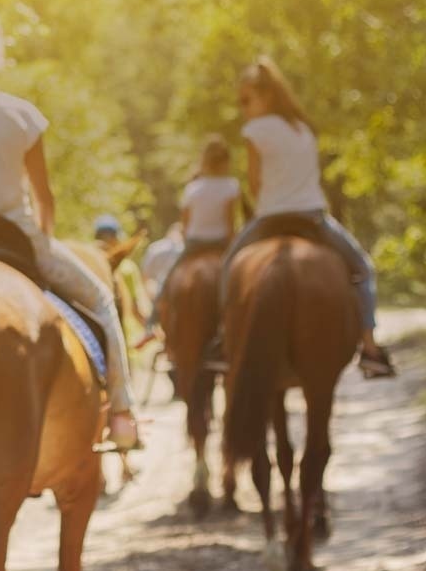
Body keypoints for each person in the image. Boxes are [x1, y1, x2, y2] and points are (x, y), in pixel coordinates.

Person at [0, 0, 140, 450]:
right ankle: (120, 414)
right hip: (18, 242)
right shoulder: (20, 117)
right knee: (99, 298)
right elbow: (45, 200)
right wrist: (43, 239)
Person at [210, 59, 395, 378]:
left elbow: (254, 184)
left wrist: (269, 199)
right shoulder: (303, 128)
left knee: (229, 266)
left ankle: (225, 342)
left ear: (265, 96)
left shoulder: (254, 131)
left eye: (246, 100)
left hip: (269, 218)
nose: (243, 108)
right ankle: (370, 347)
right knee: (363, 269)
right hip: (313, 218)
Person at [95, 214, 153, 343]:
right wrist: (151, 328)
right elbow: (135, 309)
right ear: (115, 238)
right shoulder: (126, 268)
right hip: (125, 339)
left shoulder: (89, 264)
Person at [138, 221, 185, 348]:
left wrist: (149, 292)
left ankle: (150, 327)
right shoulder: (183, 247)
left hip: (158, 286)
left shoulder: (155, 247)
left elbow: (145, 275)